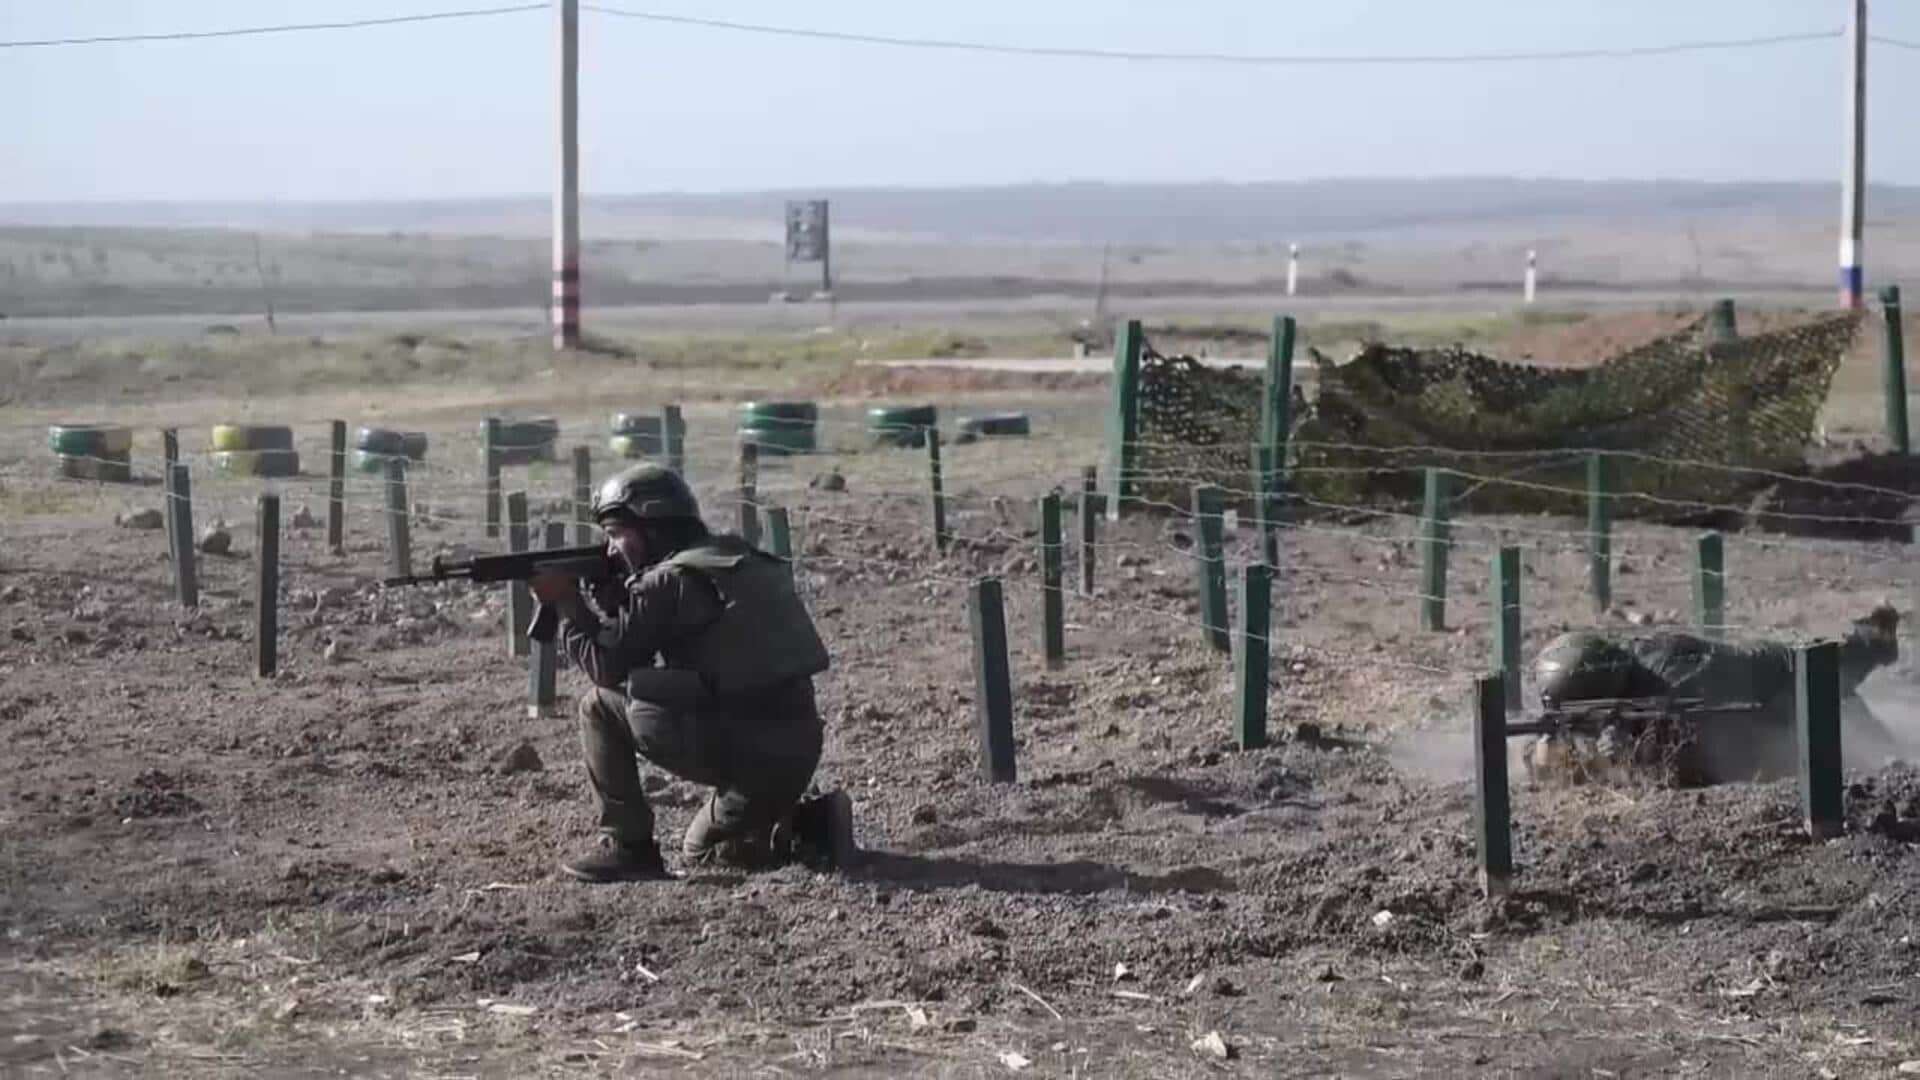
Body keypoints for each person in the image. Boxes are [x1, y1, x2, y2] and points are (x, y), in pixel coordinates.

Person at [528, 463, 839, 883]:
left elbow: (606, 667)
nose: (609, 549)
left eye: (618, 534)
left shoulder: (665, 581)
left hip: (748, 752)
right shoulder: (732, 557)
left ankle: (629, 847)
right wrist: (617, 598)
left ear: (653, 527)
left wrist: (568, 606)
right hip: (795, 747)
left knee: (600, 707)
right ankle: (806, 823)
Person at [1528, 604, 1901, 783]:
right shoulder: (1626, 673)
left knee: (1881, 756)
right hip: (1761, 683)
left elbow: (1702, 765)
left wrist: (1635, 756)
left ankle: (1872, 641)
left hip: (1782, 691)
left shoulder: (1672, 685)